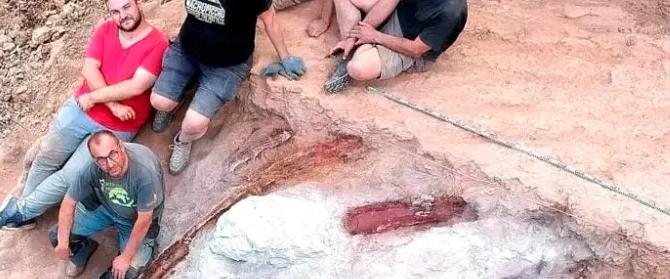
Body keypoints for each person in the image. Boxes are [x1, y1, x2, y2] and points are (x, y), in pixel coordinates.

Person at [0, 0, 168, 231]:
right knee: (47, 156)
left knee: (72, 174)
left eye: (127, 7)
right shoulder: (105, 29)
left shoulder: (157, 43)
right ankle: (26, 212)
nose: (122, 15)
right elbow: (88, 68)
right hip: (83, 108)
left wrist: (95, 98)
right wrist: (112, 104)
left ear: (137, 4)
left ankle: (21, 211)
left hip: (117, 126)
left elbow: (137, 86)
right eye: (115, 11)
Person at [149, 0, 307, 175]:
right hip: (188, 49)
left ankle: (184, 140)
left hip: (227, 64)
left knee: (194, 124)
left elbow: (270, 19)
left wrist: (285, 57)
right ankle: (176, 99)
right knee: (160, 102)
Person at [49, 130, 163, 279]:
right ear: (94, 160)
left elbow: (144, 219)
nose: (110, 164)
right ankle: (83, 251)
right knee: (57, 235)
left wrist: (125, 257)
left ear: (121, 146)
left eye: (112, 154)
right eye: (101, 160)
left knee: (126, 273)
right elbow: (68, 203)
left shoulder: (143, 172)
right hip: (105, 209)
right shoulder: (93, 169)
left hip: (135, 221)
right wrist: (63, 243)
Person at [318, 0, 467, 93]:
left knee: (356, 68)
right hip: (397, 18)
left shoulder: (450, 13)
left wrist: (375, 36)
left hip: (411, 50)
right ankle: (356, 46)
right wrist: (355, 36)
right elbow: (389, 2)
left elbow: (416, 50)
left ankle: (358, 52)